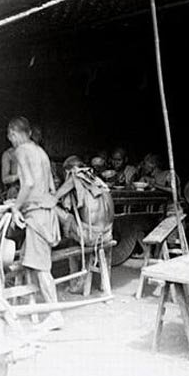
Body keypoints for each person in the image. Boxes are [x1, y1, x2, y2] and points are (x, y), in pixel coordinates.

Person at [7, 116, 63, 330]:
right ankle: (33, 309)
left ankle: (55, 314)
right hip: (47, 212)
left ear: (14, 133)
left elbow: (28, 183)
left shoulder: (21, 151)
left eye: (10, 135)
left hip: (37, 214)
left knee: (41, 268)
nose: (10, 140)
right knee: (36, 263)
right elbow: (49, 186)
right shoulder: (41, 152)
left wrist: (15, 207)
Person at [55, 155, 114, 293]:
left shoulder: (75, 178)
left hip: (91, 237)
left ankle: (76, 283)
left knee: (54, 211)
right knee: (75, 223)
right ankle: (95, 283)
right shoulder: (96, 179)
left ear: (70, 170)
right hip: (107, 234)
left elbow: (53, 199)